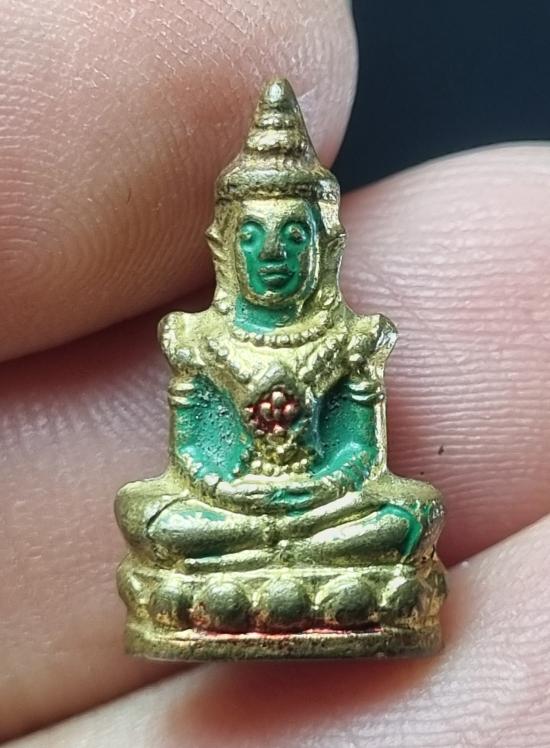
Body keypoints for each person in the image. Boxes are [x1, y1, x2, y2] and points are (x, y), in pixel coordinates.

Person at [1, 1, 549, 745]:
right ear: (224, 247)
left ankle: (271, 589)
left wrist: (314, 493)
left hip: (327, 511)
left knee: (406, 516)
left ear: (325, 247)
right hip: (227, 508)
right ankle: (281, 587)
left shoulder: (351, 340)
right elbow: (195, 456)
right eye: (254, 236)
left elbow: (361, 458)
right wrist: (234, 493)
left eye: (293, 235)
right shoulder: (198, 341)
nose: (273, 254)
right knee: (149, 514)